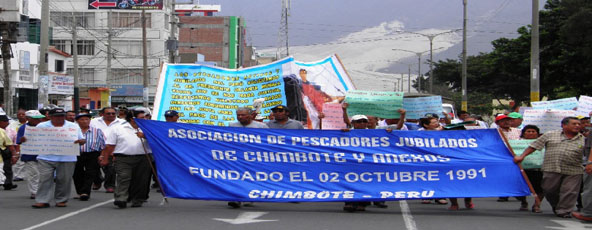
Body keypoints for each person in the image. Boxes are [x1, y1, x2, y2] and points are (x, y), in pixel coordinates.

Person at [514, 117, 585, 218]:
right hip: (551, 168)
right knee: (549, 189)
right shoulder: (550, 135)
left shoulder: (583, 138)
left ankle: (564, 211)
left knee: (570, 191)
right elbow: (534, 146)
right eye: (574, 124)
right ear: (564, 125)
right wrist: (522, 156)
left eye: (579, 124)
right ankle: (557, 206)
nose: (577, 126)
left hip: (574, 169)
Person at [31, 108, 86, 208]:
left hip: (67, 157)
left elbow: (81, 139)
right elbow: (34, 139)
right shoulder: (42, 126)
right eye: (57, 116)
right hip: (46, 157)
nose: (60, 118)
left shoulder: (73, 126)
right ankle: (42, 200)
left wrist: (81, 141)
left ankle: (61, 200)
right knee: (44, 179)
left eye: (62, 116)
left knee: (64, 180)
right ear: (50, 117)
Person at [100, 109, 152, 208]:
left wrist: (145, 136)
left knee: (140, 180)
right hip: (123, 158)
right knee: (123, 177)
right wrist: (105, 158)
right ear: (132, 119)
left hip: (143, 158)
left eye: (145, 117)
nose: (145, 119)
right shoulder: (118, 128)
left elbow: (157, 140)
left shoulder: (148, 128)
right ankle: (121, 198)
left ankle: (137, 199)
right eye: (141, 118)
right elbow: (110, 145)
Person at [227, 107, 268, 208]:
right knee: (236, 177)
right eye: (238, 115)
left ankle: (249, 197)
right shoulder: (232, 125)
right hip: (238, 157)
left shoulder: (261, 127)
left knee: (251, 177)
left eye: (243, 115)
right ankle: (236, 198)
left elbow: (268, 141)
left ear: (250, 115)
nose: (240, 117)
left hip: (255, 158)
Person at [417, 116, 451, 206]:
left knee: (439, 176)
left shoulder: (443, 130)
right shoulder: (419, 132)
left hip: (439, 157)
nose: (436, 123)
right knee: (427, 176)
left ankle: (440, 196)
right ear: (425, 125)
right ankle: (426, 195)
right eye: (433, 122)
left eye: (437, 121)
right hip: (425, 158)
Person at [90, 107, 124, 193]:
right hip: (96, 148)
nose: (111, 115)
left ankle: (110, 185)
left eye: (113, 113)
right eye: (108, 113)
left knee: (110, 168)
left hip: (112, 148)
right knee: (93, 167)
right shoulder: (94, 122)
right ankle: (97, 181)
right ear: (102, 114)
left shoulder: (122, 123)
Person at [73, 113, 105, 201]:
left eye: (87, 119)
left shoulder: (97, 131)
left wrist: (102, 155)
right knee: (77, 173)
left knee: (90, 173)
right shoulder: (73, 130)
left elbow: (103, 145)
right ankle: (79, 191)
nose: (84, 121)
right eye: (82, 119)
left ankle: (85, 192)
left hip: (92, 154)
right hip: (76, 154)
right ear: (77, 121)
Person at [16, 110, 45, 199]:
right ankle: (34, 191)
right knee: (33, 174)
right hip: (30, 155)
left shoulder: (44, 127)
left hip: (44, 155)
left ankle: (43, 190)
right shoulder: (23, 128)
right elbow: (19, 141)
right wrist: (23, 139)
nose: (38, 121)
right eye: (35, 119)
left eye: (39, 119)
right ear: (28, 119)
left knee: (43, 174)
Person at [516, 125, 545, 213]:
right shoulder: (515, 143)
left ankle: (537, 205)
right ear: (523, 133)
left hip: (538, 169)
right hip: (521, 169)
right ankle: (523, 202)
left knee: (540, 188)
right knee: (519, 188)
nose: (531, 133)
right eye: (528, 131)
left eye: (533, 131)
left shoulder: (544, 143)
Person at [0, 114, 18, 190]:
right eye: (6, 121)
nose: (8, 123)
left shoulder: (4, 131)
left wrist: (14, 155)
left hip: (4, 153)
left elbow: (10, 144)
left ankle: (8, 183)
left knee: (7, 168)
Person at [9, 108, 27, 181]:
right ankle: (16, 175)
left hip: (27, 146)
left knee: (24, 162)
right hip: (16, 145)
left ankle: (22, 175)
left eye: (23, 114)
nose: (21, 116)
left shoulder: (30, 124)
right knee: (17, 161)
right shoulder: (12, 124)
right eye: (19, 114)